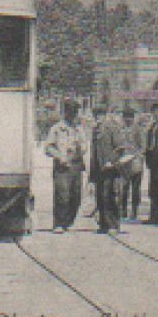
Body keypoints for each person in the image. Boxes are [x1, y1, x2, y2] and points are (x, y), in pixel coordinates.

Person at [41, 100, 86, 232]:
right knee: (62, 195)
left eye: (75, 112)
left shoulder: (79, 129)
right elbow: (48, 147)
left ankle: (68, 221)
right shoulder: (57, 128)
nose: (73, 115)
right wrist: (59, 156)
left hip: (76, 165)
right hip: (62, 166)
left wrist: (80, 148)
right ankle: (59, 223)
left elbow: (84, 146)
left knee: (76, 196)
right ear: (66, 112)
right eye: (71, 112)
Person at [90, 107, 129, 233]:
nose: (98, 118)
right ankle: (103, 224)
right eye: (96, 115)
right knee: (101, 197)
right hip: (99, 169)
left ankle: (113, 224)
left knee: (111, 196)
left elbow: (120, 148)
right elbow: (94, 152)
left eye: (100, 115)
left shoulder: (112, 127)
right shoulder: (96, 130)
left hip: (111, 169)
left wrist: (111, 161)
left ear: (105, 115)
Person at [120, 106, 146, 221]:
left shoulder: (138, 130)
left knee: (135, 188)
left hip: (135, 161)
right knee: (124, 188)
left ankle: (134, 211)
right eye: (126, 117)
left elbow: (143, 147)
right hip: (124, 162)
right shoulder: (120, 129)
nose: (128, 120)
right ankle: (123, 210)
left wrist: (138, 155)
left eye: (130, 117)